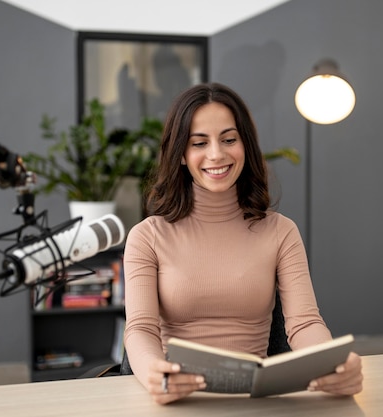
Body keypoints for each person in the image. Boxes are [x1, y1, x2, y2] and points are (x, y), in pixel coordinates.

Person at [122, 82, 363, 405]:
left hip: (255, 402)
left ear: (245, 145)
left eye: (228, 139)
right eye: (199, 143)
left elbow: (304, 323)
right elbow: (141, 329)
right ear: (180, 153)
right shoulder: (147, 236)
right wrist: (155, 371)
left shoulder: (281, 232)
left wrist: (332, 364)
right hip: (179, 399)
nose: (216, 154)